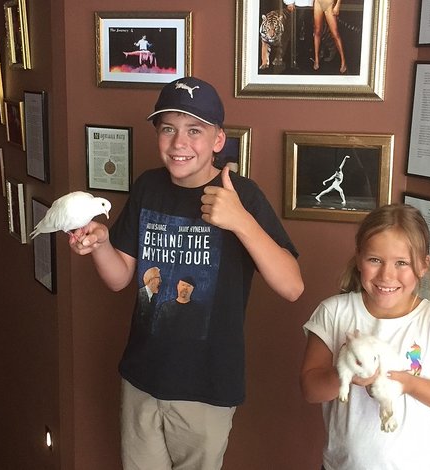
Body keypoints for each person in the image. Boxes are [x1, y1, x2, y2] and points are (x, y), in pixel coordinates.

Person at [70, 76, 304, 470]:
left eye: (194, 130)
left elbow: (292, 286)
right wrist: (101, 245)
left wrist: (240, 221)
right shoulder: (148, 186)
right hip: (142, 377)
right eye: (168, 129)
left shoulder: (243, 195)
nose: (179, 142)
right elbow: (119, 278)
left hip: (206, 387)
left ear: (217, 140)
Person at [300, 203, 430, 470]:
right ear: (359, 258)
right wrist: (347, 374)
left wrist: (409, 385)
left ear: (423, 266)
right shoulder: (334, 313)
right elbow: (310, 389)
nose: (387, 275)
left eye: (402, 263)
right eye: (375, 260)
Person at [312, 0, 347, 73]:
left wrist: (338, 5)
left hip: (329, 3)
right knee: (317, 31)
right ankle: (316, 59)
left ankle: (343, 61)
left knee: (335, 33)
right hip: (318, 3)